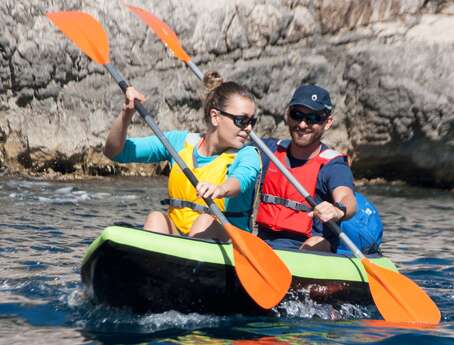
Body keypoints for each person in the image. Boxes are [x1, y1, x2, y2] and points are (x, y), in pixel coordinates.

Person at [103, 72, 261, 240]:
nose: (249, 128)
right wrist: (126, 113)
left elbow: (242, 179)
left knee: (205, 221)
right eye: (241, 121)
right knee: (156, 218)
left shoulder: (248, 154)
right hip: (181, 238)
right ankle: (154, 263)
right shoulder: (178, 143)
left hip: (229, 242)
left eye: (252, 121)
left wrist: (221, 189)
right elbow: (115, 152)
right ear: (215, 117)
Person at [255, 84, 357, 252]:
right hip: (265, 245)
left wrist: (338, 210)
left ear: (328, 122)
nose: (302, 125)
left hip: (310, 246)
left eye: (313, 118)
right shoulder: (268, 151)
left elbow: (347, 198)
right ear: (288, 115)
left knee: (315, 244)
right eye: (297, 115)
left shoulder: (333, 165)